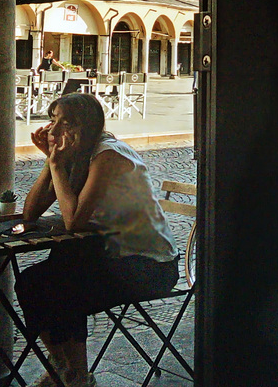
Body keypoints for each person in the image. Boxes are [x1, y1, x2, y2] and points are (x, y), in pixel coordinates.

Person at [15, 93, 178, 387]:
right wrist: (50, 162)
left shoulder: (108, 155)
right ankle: (62, 366)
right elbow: (30, 213)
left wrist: (55, 165)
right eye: (53, 120)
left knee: (64, 283)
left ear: (86, 127)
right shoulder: (77, 156)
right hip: (112, 255)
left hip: (151, 266)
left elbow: (73, 221)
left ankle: (77, 376)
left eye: (65, 123)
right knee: (30, 281)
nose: (53, 130)